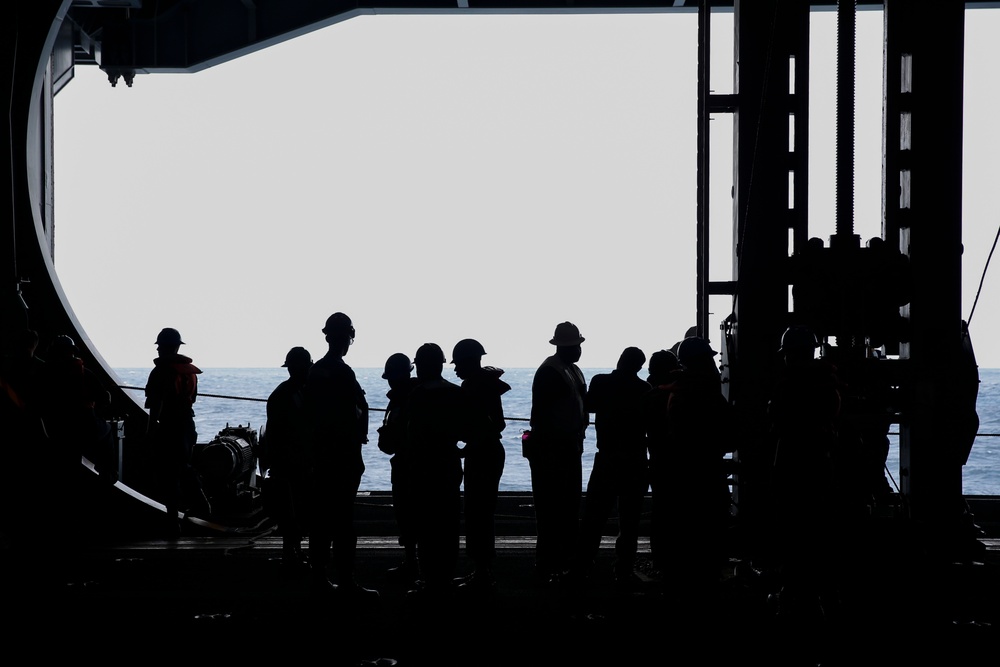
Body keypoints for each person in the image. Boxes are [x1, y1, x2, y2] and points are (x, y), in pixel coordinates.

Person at [763, 325, 841, 620]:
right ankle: (822, 595)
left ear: (789, 354)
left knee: (791, 532)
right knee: (818, 530)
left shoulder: (787, 384)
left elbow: (777, 420)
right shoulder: (828, 382)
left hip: (791, 463)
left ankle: (793, 595)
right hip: (821, 463)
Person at [303, 312, 378, 601]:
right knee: (343, 522)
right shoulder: (338, 372)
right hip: (341, 455)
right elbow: (351, 411)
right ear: (346, 336)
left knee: (322, 520)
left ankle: (320, 578)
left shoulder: (320, 371)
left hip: (324, 455)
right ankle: (345, 582)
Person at [663, 336, 736, 604]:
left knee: (688, 529)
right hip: (705, 470)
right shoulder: (705, 393)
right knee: (709, 526)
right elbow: (729, 432)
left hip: (684, 470)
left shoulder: (679, 391)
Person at [576, 346, 651, 587]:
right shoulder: (644, 390)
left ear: (619, 361)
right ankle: (624, 568)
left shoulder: (601, 382)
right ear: (639, 367)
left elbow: (588, 406)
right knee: (629, 521)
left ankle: (583, 567)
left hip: (607, 457)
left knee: (594, 518)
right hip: (636, 459)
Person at [404, 342, 469, 600]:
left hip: (422, 467)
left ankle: (429, 579)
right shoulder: (455, 393)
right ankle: (445, 578)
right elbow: (465, 430)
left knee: (425, 525)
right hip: (449, 464)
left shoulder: (416, 395)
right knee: (448, 524)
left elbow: (408, 434)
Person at [526, 321, 589, 584]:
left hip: (567, 445)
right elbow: (541, 416)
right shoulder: (553, 372)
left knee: (564, 505)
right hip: (554, 447)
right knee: (553, 506)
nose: (578, 351)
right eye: (575, 346)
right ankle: (550, 561)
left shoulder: (568, 370)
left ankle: (560, 558)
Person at [450, 338, 511, 591]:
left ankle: (482, 572)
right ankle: (482, 570)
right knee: (482, 513)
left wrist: (468, 444)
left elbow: (484, 427)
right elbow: (498, 424)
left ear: (468, 361)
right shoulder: (487, 385)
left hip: (483, 454)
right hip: (489, 452)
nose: (454, 370)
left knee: (478, 514)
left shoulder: (474, 388)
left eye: (457, 364)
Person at [144, 327, 208, 537]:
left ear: (162, 347)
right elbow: (192, 399)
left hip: (169, 426)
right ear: (178, 347)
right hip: (188, 425)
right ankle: (200, 499)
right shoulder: (189, 372)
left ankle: (173, 521)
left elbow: (156, 405)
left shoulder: (160, 372)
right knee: (184, 465)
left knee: (168, 474)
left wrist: (151, 430)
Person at [262, 346, 313, 571]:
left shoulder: (281, 394)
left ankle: (292, 553)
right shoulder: (304, 393)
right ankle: (293, 553)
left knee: (291, 510)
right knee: (295, 510)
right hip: (293, 460)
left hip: (287, 460)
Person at [376, 352, 421, 587]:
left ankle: (416, 563)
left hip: (408, 464)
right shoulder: (407, 397)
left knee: (410, 513)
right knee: (407, 514)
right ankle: (414, 561)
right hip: (405, 463)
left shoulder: (405, 399)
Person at [641, 349, 682, 573]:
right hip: (683, 462)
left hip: (658, 460)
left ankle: (660, 561)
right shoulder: (684, 392)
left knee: (660, 513)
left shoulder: (649, 396)